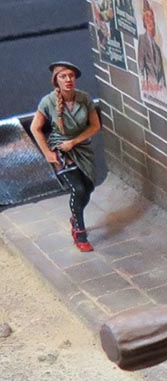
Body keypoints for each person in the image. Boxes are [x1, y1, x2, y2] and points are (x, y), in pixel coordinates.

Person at [30, 62, 103, 252]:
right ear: (56, 80)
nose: (68, 80)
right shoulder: (48, 101)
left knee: (88, 187)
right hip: (60, 148)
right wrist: (48, 153)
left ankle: (75, 216)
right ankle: (80, 232)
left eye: (71, 75)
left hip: (81, 148)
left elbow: (95, 126)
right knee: (77, 189)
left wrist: (75, 141)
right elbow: (35, 128)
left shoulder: (84, 98)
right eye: (63, 76)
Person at [138, 0, 167, 89]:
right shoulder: (142, 40)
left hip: (158, 91)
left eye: (151, 17)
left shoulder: (157, 49)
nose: (150, 20)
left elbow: (162, 78)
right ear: (144, 21)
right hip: (148, 88)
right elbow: (140, 68)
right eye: (147, 17)